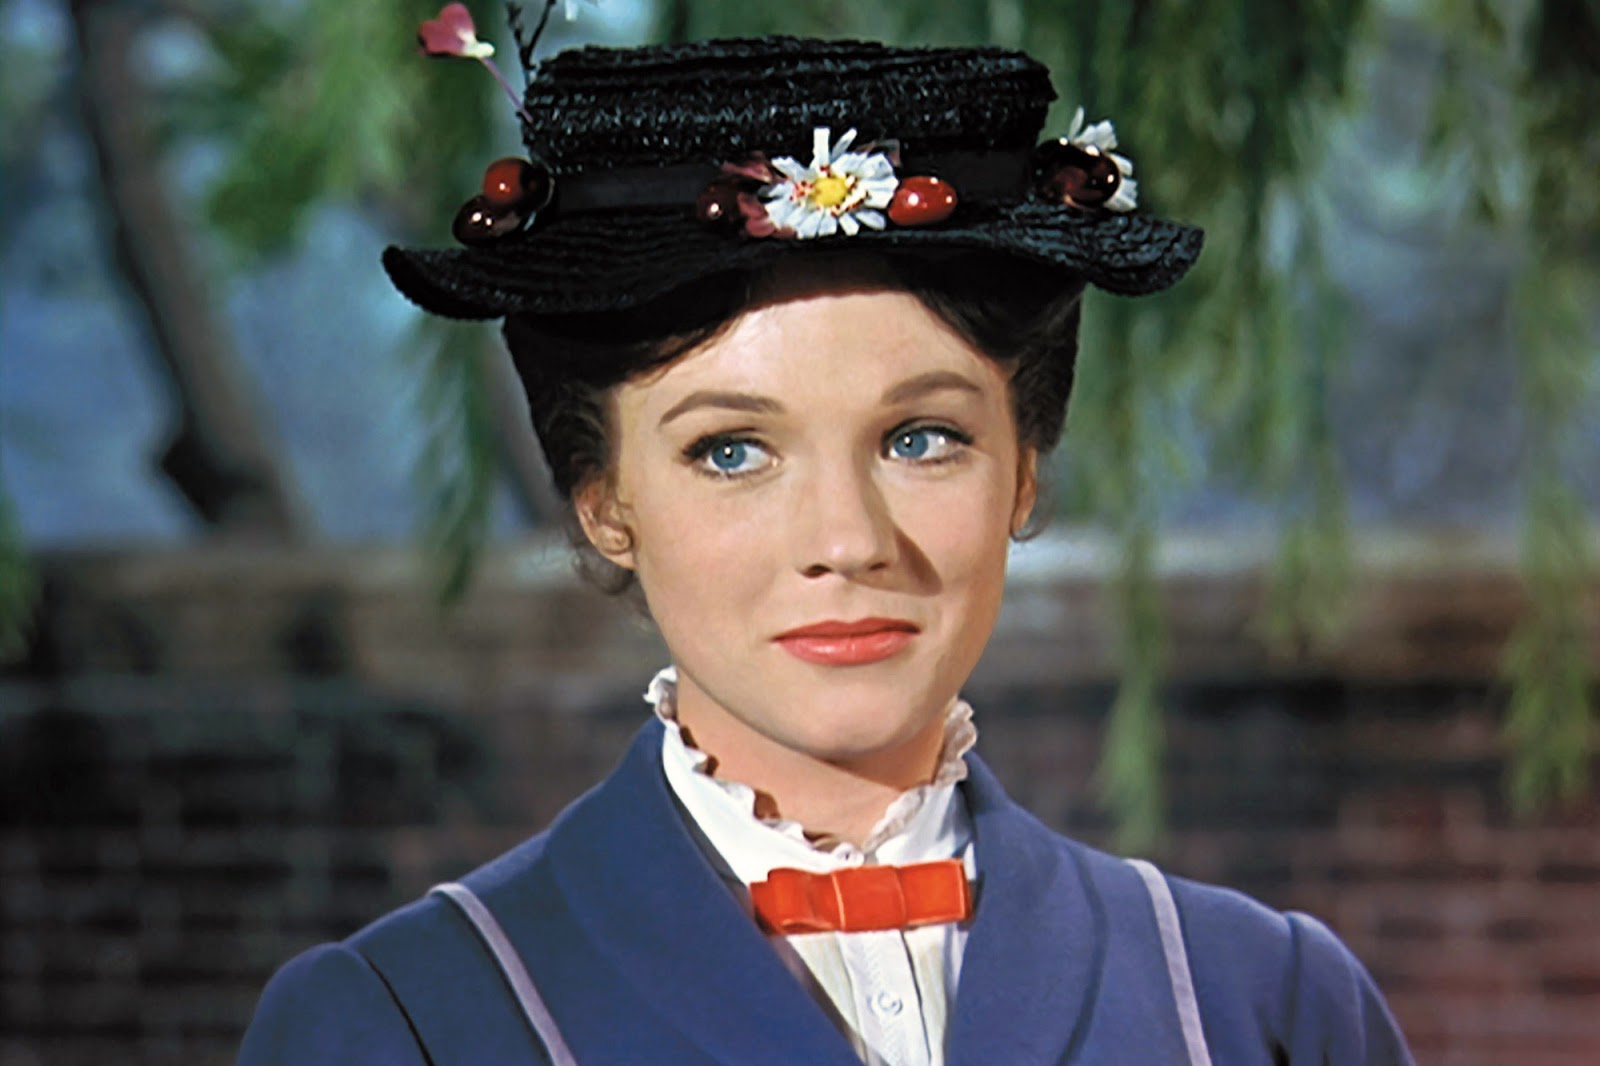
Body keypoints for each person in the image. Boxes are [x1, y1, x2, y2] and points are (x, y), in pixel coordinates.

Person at [238, 29, 1414, 1066]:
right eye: (731, 451)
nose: (846, 542)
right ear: (602, 500)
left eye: (922, 438)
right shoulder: (405, 1022)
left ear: (1024, 470)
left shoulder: (1259, 1005)